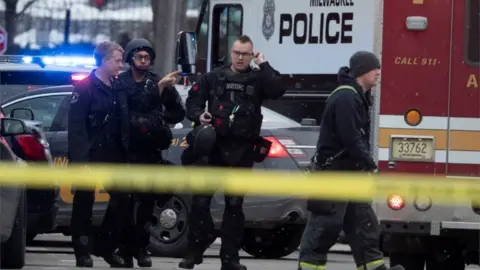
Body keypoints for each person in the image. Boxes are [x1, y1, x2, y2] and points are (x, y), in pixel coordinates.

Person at [178, 35, 286, 270]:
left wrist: (264, 64)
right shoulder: (214, 77)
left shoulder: (258, 79)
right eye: (236, 53)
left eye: (245, 54)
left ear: (252, 55)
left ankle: (230, 259)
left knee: (234, 207)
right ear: (231, 53)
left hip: (242, 151)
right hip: (214, 150)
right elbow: (192, 102)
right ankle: (193, 252)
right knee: (200, 203)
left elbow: (278, 89)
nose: (240, 58)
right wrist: (199, 116)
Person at [297, 51, 404, 270]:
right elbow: (352, 138)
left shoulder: (356, 96)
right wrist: (370, 166)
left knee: (364, 230)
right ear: (362, 71)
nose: (378, 73)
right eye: (375, 68)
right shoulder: (346, 97)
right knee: (322, 231)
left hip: (350, 176)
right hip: (334, 177)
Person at [115, 38, 186, 268]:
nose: (143, 61)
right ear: (130, 59)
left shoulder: (159, 82)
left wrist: (159, 120)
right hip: (126, 152)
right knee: (125, 205)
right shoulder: (122, 83)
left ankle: (141, 248)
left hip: (149, 152)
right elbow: (137, 103)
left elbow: (177, 111)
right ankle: (125, 250)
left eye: (147, 57)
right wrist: (158, 90)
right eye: (139, 57)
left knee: (146, 205)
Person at [68, 41, 130, 268]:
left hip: (113, 156)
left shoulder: (117, 87)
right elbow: (76, 128)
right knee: (84, 203)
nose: (120, 65)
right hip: (90, 155)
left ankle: (105, 245)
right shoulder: (85, 87)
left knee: (122, 198)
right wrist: (80, 162)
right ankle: (82, 250)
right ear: (103, 61)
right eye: (116, 61)